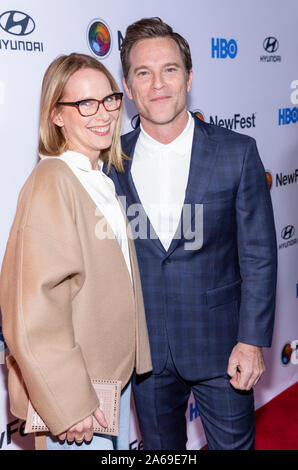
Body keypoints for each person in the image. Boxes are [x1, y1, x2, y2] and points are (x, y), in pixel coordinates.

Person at [106, 18, 277, 450]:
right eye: (143, 73)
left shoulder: (236, 153)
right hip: (145, 356)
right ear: (128, 86)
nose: (157, 84)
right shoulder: (109, 163)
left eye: (169, 70)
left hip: (222, 348)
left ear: (190, 77)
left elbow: (258, 255)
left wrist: (252, 341)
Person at [0, 52, 152, 451]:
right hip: (78, 400)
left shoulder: (97, 177)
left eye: (109, 99)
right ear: (56, 115)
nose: (103, 113)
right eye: (84, 103)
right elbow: (32, 309)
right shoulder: (52, 179)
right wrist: (69, 402)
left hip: (108, 383)